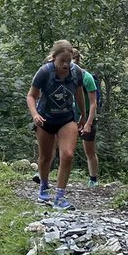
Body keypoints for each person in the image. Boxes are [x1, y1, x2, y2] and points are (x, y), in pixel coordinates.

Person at [27, 39, 85, 210]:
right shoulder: (44, 72)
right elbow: (31, 96)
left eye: (69, 61)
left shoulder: (77, 73)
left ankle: (59, 198)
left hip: (67, 118)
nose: (66, 65)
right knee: (45, 158)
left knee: (67, 154)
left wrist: (83, 115)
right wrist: (35, 115)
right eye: (62, 61)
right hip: (45, 119)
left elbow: (79, 93)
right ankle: (44, 188)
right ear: (54, 58)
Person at [70, 47, 100, 187]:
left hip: (87, 114)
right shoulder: (63, 75)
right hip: (69, 114)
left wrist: (88, 123)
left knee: (89, 150)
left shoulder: (86, 77)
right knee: (56, 144)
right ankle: (43, 173)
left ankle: (93, 179)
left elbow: (93, 103)